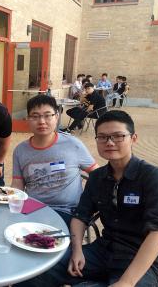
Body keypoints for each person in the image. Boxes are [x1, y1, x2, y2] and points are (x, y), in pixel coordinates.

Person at [17, 110, 158, 287]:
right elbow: (80, 216)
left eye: (117, 136)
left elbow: (157, 233)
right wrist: (77, 250)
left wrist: (127, 282)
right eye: (102, 137)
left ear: (133, 138)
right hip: (102, 251)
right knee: (34, 272)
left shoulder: (152, 177)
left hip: (140, 260)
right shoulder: (98, 177)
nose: (109, 142)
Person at [11, 95, 97, 226]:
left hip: (67, 211)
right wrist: (13, 209)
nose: (41, 121)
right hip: (33, 208)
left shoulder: (73, 144)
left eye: (47, 115)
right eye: (35, 116)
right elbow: (17, 184)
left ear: (56, 117)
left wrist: (88, 203)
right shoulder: (20, 150)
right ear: (27, 119)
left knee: (43, 242)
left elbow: (97, 174)